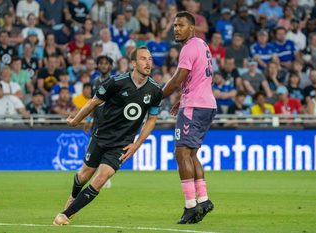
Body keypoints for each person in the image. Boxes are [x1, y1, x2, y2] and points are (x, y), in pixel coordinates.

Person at [53, 46, 162, 226]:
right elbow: (93, 102)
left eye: (150, 59)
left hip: (122, 144)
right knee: (83, 175)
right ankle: (73, 197)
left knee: (101, 178)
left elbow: (151, 120)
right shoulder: (116, 82)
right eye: (143, 59)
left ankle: (65, 215)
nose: (148, 62)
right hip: (101, 136)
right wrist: (76, 120)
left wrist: (137, 144)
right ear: (133, 63)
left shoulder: (155, 91)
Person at [162, 11, 216, 224]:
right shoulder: (202, 44)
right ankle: (203, 200)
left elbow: (177, 80)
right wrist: (182, 98)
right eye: (174, 25)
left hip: (194, 106)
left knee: (181, 153)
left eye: (181, 25)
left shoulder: (188, 48)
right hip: (206, 104)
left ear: (191, 28)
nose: (176, 29)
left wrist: (155, 97)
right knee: (191, 155)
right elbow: (198, 77)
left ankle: (190, 206)